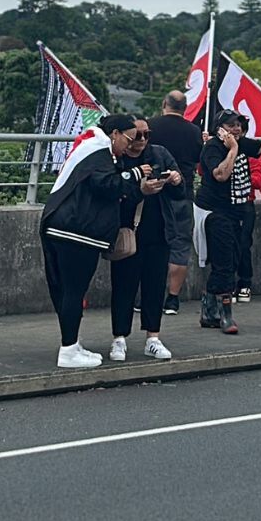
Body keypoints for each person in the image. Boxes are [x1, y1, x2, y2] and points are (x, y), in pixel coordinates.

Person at [40, 114, 146, 368]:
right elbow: (106, 185)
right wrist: (135, 174)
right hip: (75, 232)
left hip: (63, 227)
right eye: (129, 139)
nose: (129, 146)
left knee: (69, 291)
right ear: (115, 134)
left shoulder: (90, 147)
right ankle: (68, 350)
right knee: (73, 292)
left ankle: (73, 343)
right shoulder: (98, 152)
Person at [198, 109, 261, 329]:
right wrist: (233, 149)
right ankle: (225, 314)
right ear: (220, 129)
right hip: (215, 212)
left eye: (239, 124)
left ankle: (209, 309)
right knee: (224, 264)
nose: (236, 129)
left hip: (237, 210)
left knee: (233, 258)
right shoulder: (213, 148)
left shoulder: (241, 142)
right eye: (231, 125)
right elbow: (220, 174)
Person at [108, 117, 184, 361]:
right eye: (136, 135)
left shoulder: (159, 154)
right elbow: (111, 190)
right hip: (126, 230)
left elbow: (181, 190)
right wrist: (139, 189)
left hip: (158, 229)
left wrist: (175, 179)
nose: (141, 141)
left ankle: (153, 336)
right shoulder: (117, 157)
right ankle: (119, 337)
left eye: (146, 135)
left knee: (154, 285)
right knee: (123, 285)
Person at [147, 91, 203, 316]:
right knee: (180, 245)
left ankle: (149, 296)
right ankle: (172, 299)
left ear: (164, 104)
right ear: (185, 108)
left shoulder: (150, 127)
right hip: (183, 193)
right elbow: (199, 159)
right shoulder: (194, 132)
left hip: (153, 193)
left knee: (150, 245)